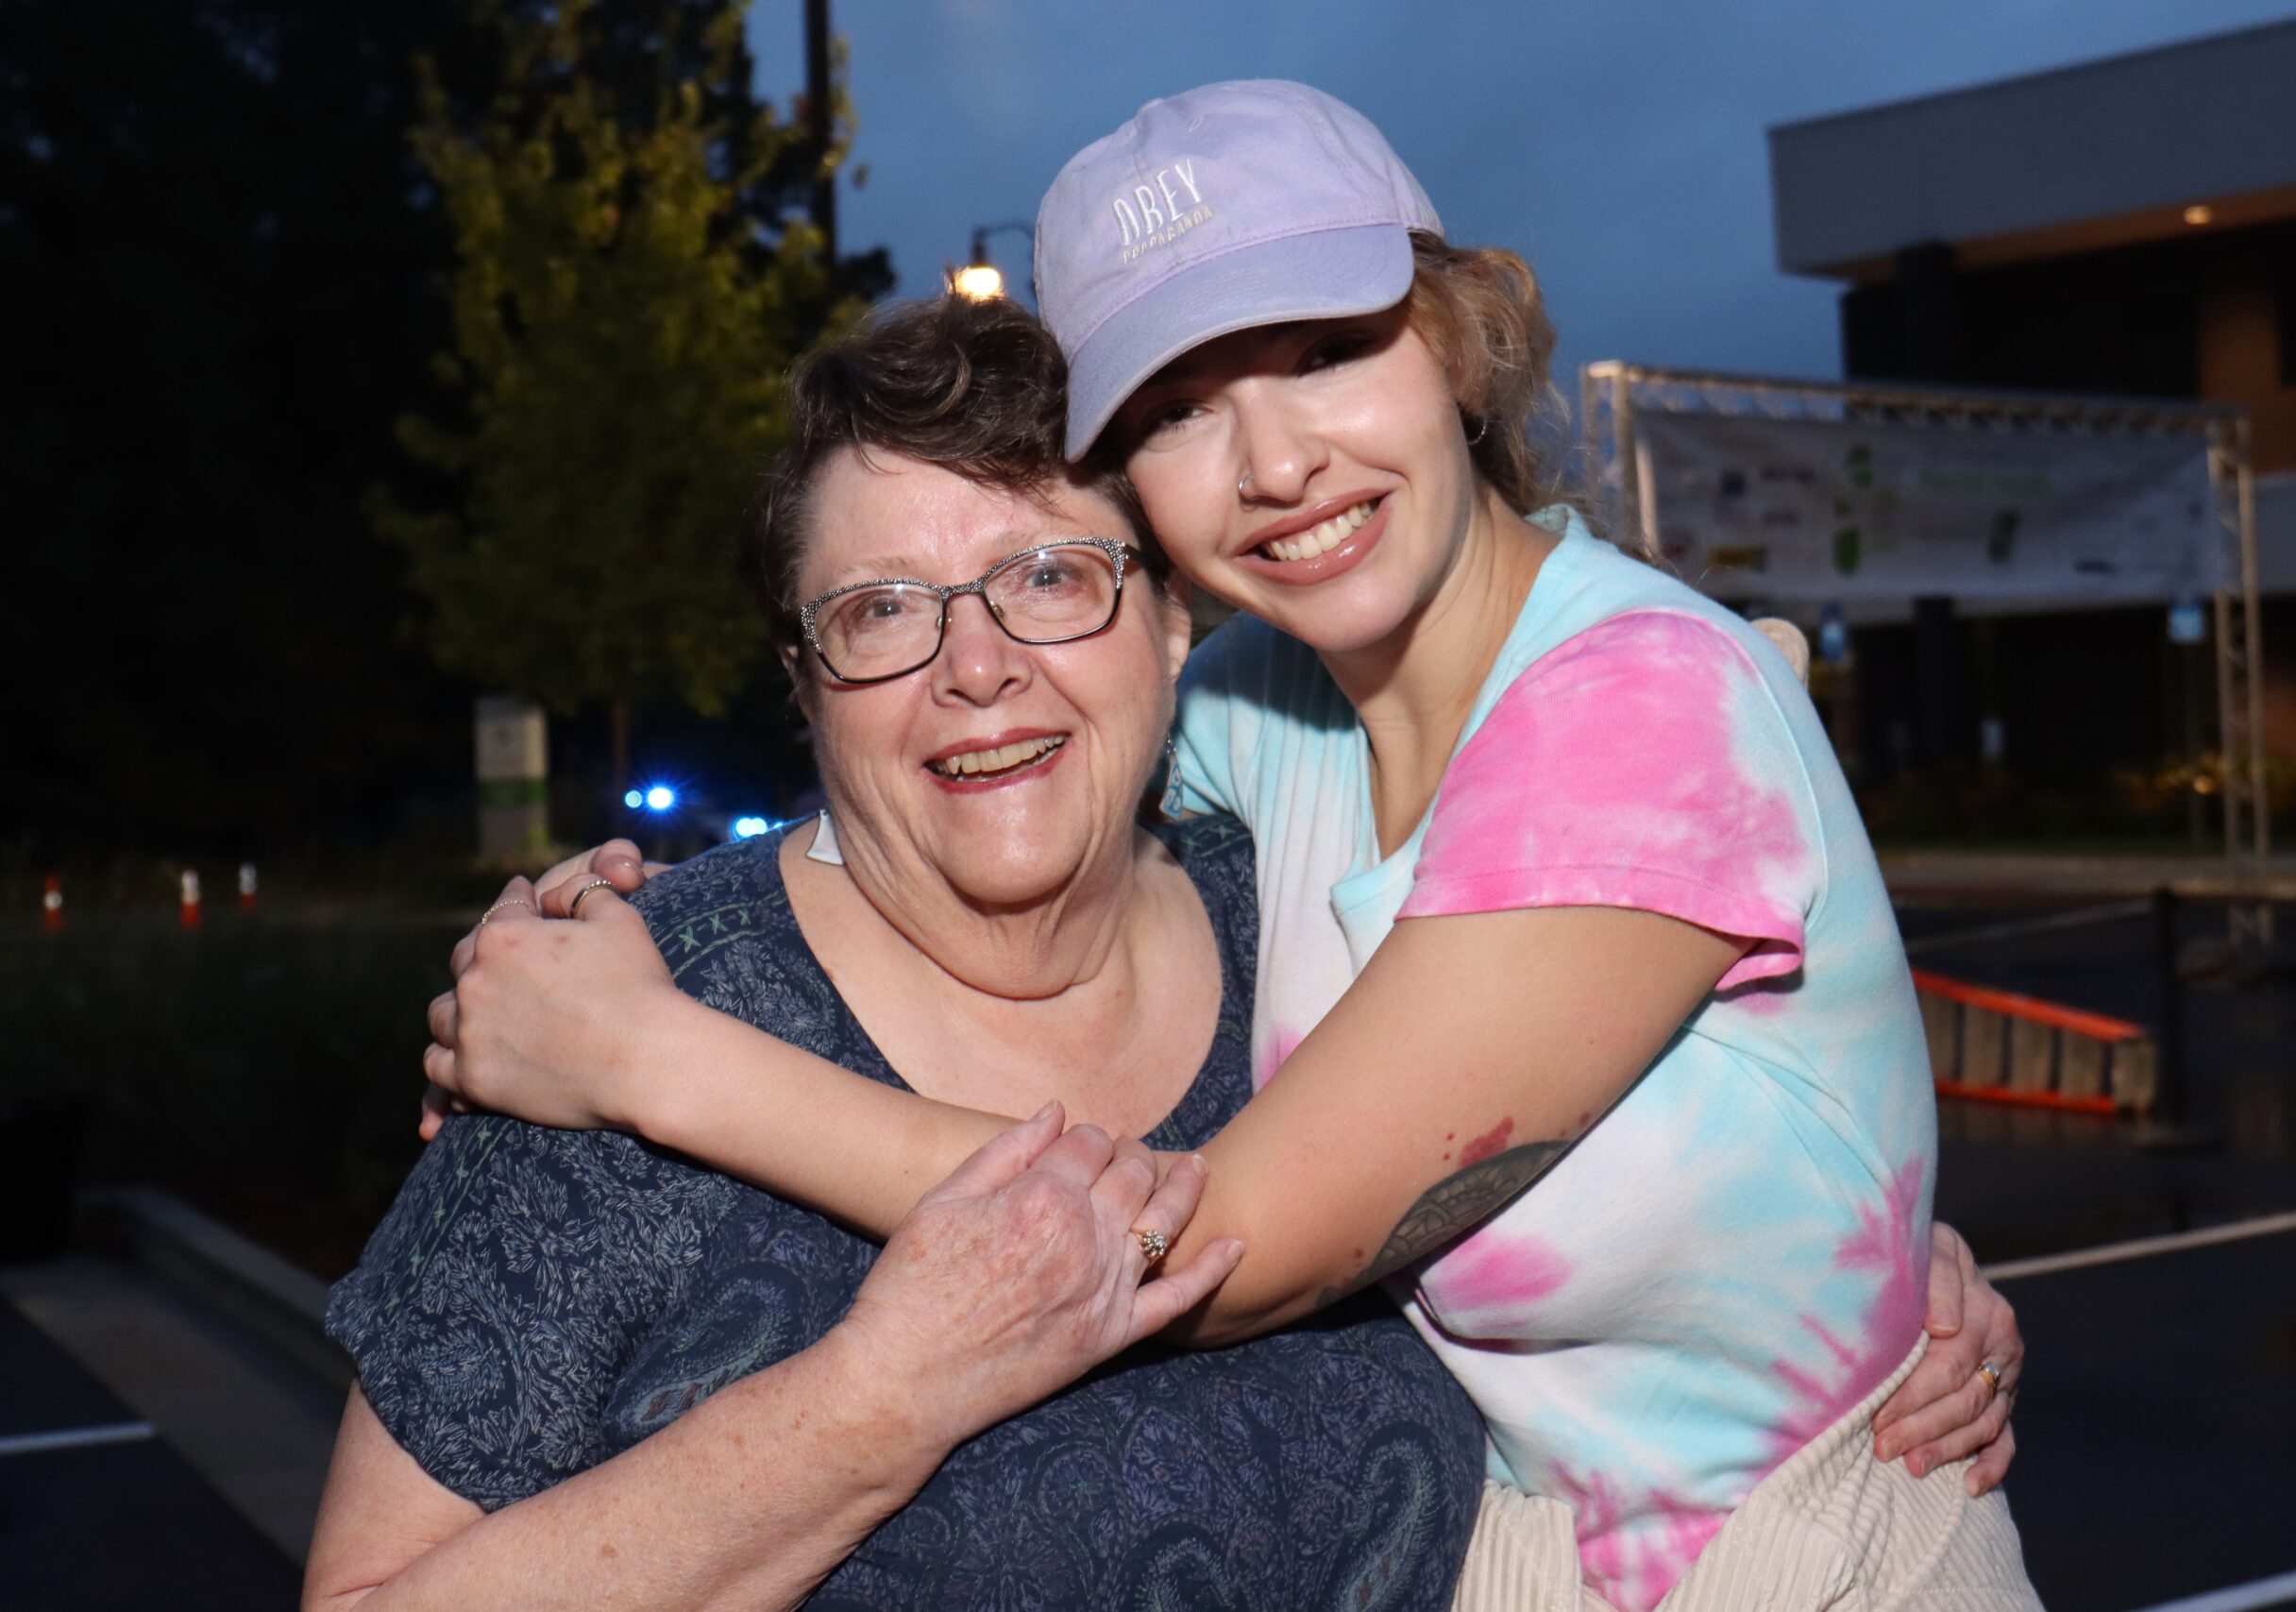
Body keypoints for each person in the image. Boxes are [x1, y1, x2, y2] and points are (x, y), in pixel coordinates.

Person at [426, 83, 2036, 1609]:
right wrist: (625, 917)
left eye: (1331, 352)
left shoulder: (1643, 711)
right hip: (1544, 1564)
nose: (1276, 464)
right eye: (1184, 408)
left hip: (1815, 1564)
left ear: (1460, 345)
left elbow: (1214, 1252)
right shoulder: (1277, 705)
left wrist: (651, 1061)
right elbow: (975, 740)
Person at [309, 297, 1494, 1611]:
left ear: (1171, 620)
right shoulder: (605, 1023)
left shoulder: (1326, 923)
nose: (975, 669)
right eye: (880, 611)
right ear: (806, 685)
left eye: (1049, 576)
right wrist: (876, 1404)